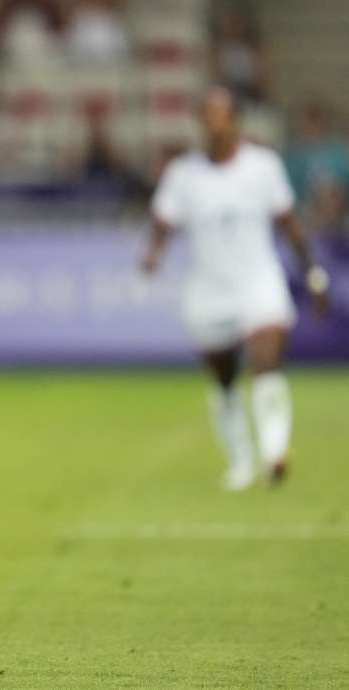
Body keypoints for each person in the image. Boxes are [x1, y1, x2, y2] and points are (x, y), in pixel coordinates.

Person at [143, 86, 331, 491]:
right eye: (206, 115)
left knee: (266, 360)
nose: (213, 123)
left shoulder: (263, 167)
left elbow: (290, 225)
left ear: (236, 120)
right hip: (209, 290)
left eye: (220, 114)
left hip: (257, 282)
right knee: (225, 379)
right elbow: (163, 220)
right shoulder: (183, 174)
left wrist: (314, 275)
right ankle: (241, 462)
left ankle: (274, 451)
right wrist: (154, 253)